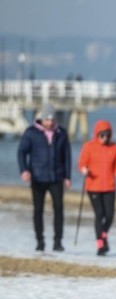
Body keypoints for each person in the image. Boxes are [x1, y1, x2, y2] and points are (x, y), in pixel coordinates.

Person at [16, 103, 72, 252]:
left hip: (56, 177)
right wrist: (24, 170)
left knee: (59, 209)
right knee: (38, 210)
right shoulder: (31, 133)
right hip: (37, 177)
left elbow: (67, 156)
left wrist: (67, 176)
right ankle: (40, 241)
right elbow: (22, 152)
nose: (50, 123)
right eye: (47, 120)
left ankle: (58, 242)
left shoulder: (61, 133)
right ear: (41, 119)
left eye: (52, 120)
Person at [78, 120, 116, 256]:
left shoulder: (115, 147)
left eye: (108, 135)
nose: (105, 138)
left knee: (109, 216)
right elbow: (82, 162)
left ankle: (103, 235)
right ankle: (100, 245)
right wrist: (84, 169)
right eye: (102, 135)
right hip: (93, 186)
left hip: (109, 186)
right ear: (97, 134)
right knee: (99, 215)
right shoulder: (89, 146)